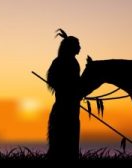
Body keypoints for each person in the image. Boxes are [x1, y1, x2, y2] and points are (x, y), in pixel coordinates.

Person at [46, 29, 82, 160]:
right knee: (67, 135)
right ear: (71, 47)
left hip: (68, 105)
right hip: (67, 107)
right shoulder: (69, 62)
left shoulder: (63, 61)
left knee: (63, 137)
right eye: (78, 45)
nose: (80, 47)